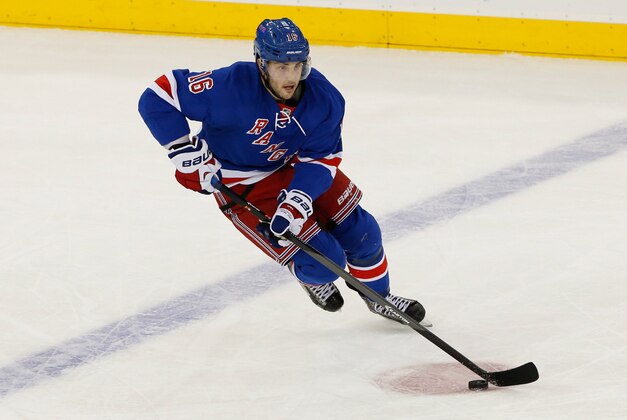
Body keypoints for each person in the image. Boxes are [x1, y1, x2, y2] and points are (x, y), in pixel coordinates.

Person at [138, 17, 426, 323]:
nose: (291, 76)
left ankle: (380, 298)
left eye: (298, 65)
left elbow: (321, 159)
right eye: (281, 67)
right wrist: (180, 146)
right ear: (261, 64)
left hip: (294, 164)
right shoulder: (230, 86)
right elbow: (158, 95)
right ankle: (309, 277)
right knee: (324, 261)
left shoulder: (324, 99)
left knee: (363, 232)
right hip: (242, 181)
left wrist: (298, 199)